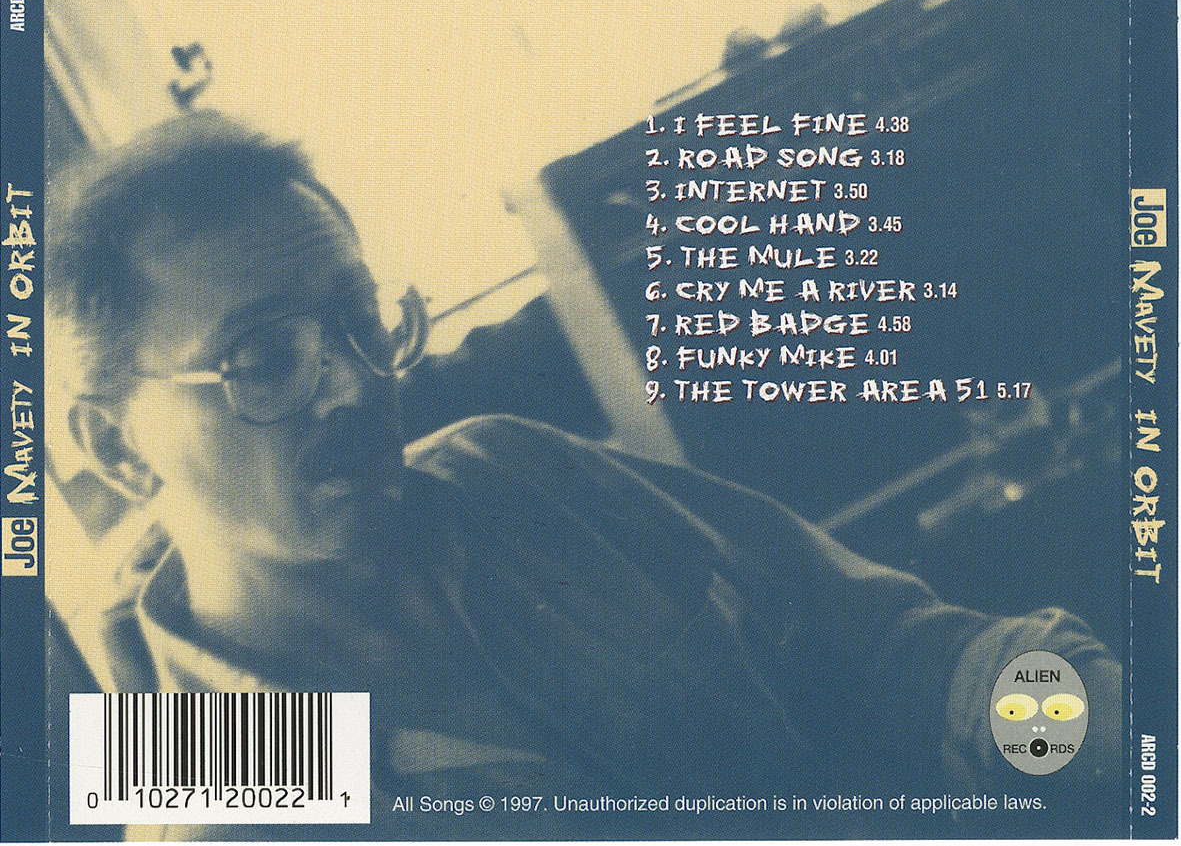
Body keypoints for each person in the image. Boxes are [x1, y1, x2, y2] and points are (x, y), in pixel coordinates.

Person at [48, 112, 1121, 840]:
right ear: (115, 446)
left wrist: (1084, 728)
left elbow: (898, 653)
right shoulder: (216, 791)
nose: (355, 386)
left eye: (358, 319)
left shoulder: (508, 472)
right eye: (262, 360)